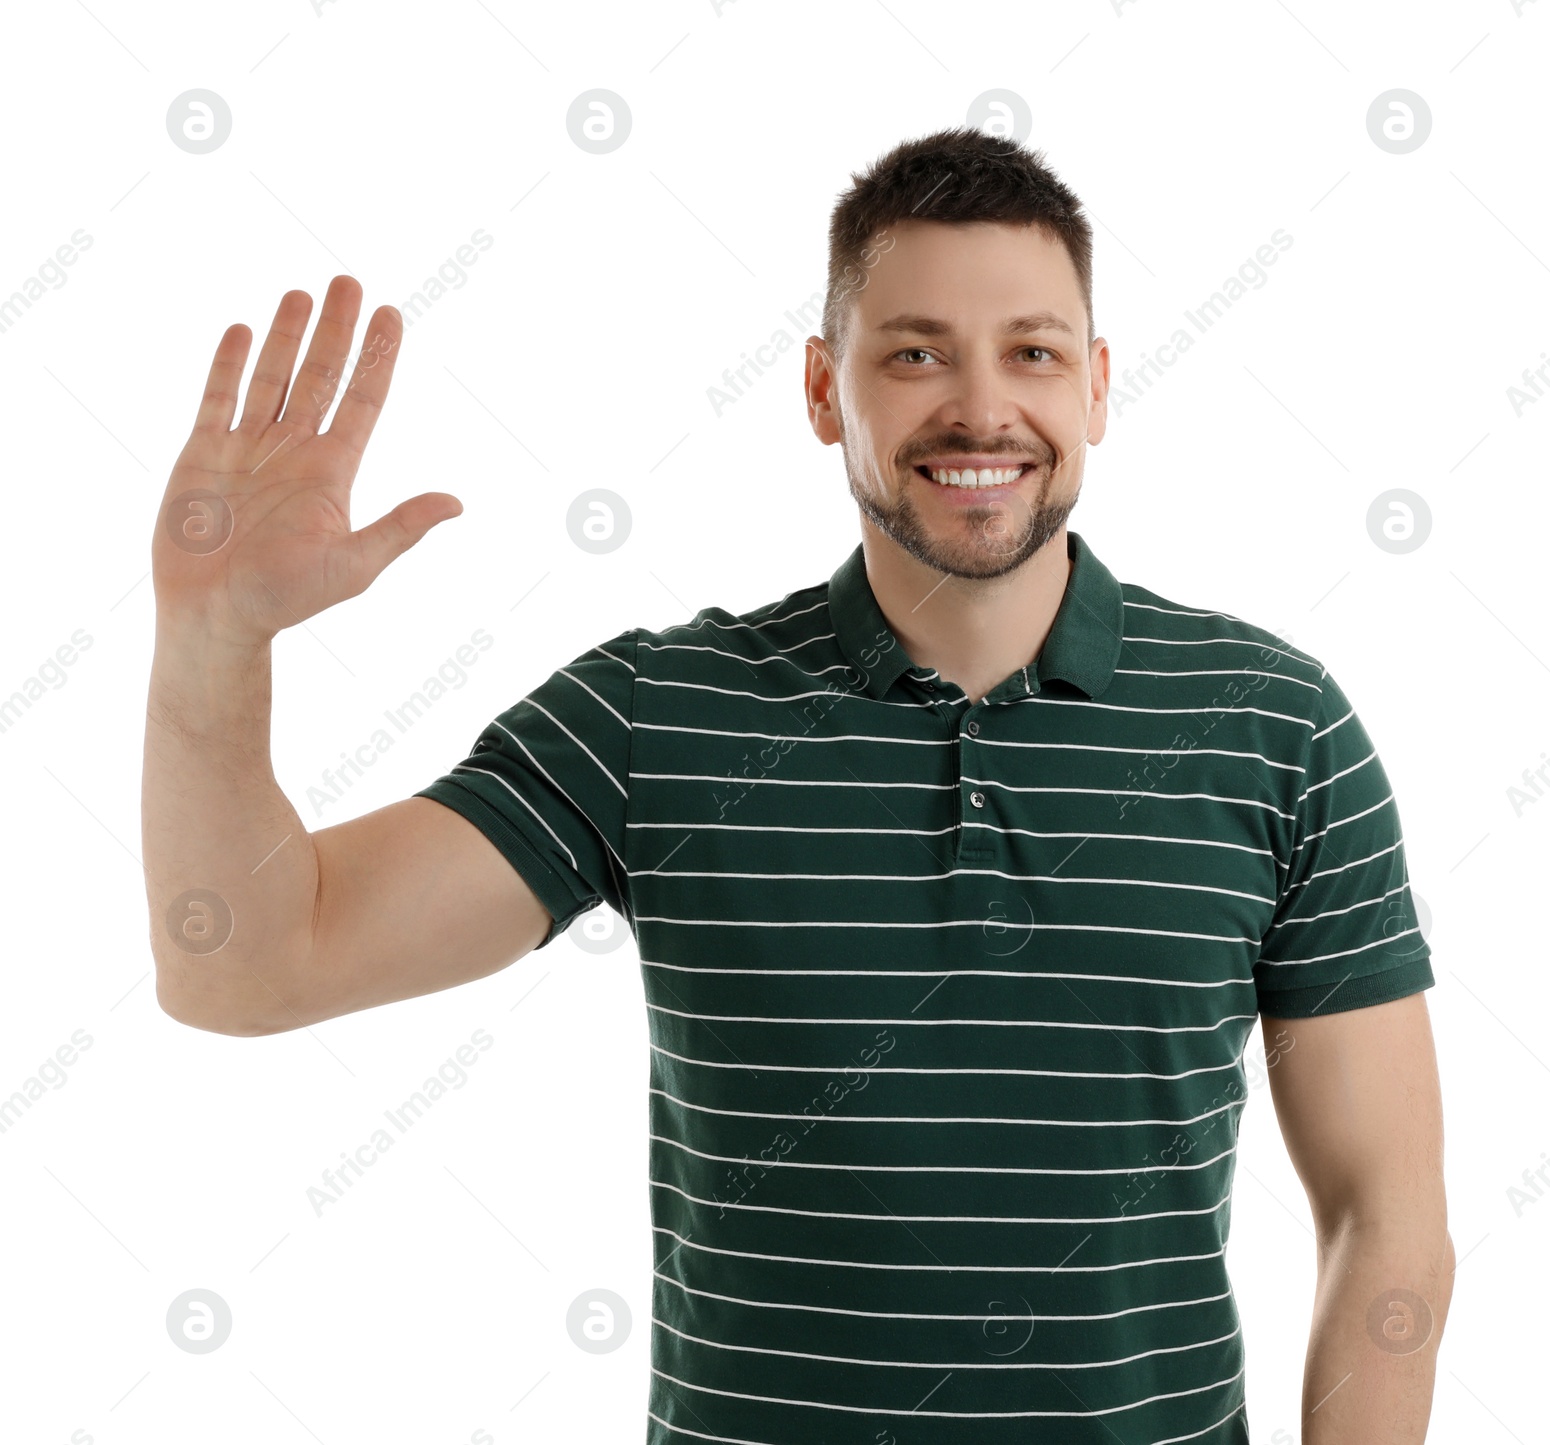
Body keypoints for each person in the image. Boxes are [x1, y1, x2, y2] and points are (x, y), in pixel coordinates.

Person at [143, 127, 1452, 1443]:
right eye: (917, 351)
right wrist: (213, 640)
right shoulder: (662, 712)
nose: (983, 408)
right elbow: (246, 966)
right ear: (827, 390)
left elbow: (1390, 1226)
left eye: (1034, 352)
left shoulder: (1275, 725)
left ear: (1099, 388)